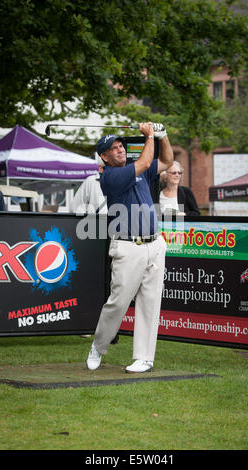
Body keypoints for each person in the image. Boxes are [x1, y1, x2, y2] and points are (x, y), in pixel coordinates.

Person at [86, 122, 173, 373]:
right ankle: (99, 346)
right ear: (104, 157)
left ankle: (144, 358)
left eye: (121, 146)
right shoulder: (110, 176)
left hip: (154, 243)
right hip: (127, 246)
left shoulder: (137, 169)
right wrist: (149, 136)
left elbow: (166, 161)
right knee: (118, 302)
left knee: (150, 301)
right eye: (113, 149)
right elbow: (145, 163)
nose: (120, 150)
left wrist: (162, 135)